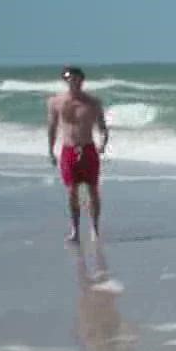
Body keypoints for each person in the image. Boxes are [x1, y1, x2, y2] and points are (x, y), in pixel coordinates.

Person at [47, 66, 109, 243]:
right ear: (65, 81)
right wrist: (51, 150)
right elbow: (52, 127)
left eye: (75, 78)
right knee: (72, 192)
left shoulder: (93, 102)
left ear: (82, 80)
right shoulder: (56, 102)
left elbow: (102, 127)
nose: (72, 82)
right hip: (68, 150)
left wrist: (103, 143)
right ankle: (75, 230)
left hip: (88, 149)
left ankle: (95, 229)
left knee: (92, 190)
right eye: (68, 79)